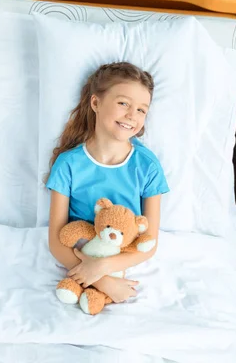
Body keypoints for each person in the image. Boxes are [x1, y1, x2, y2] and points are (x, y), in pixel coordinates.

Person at [46, 62, 169, 304]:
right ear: (95, 103)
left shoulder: (147, 167)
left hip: (123, 257)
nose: (132, 115)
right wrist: (103, 281)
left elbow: (150, 244)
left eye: (142, 110)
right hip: (79, 254)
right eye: (123, 103)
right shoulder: (68, 164)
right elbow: (56, 242)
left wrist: (104, 266)